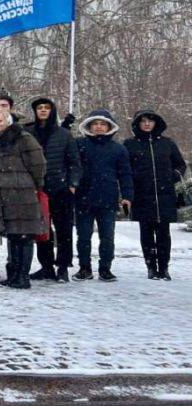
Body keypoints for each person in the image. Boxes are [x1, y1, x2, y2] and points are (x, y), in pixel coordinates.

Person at [0, 109, 45, 290]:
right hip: (4, 195)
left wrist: (35, 185)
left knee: (24, 236)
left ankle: (23, 276)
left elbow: (38, 164)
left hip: (23, 194)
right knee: (13, 235)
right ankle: (14, 274)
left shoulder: (22, 137)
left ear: (8, 121)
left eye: (0, 120)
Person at [23, 97, 81, 283]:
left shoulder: (64, 134)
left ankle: (63, 267)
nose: (43, 110)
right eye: (39, 108)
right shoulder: (28, 132)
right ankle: (46, 266)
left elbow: (74, 162)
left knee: (64, 230)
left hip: (61, 189)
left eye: (46, 108)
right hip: (38, 189)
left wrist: (72, 184)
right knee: (43, 231)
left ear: (52, 110)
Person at [124, 109, 187, 280]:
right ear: (137, 123)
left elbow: (181, 165)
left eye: (150, 121)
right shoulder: (130, 144)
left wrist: (172, 176)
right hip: (142, 195)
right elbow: (124, 169)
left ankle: (164, 267)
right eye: (143, 121)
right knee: (146, 233)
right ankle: (151, 266)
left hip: (165, 195)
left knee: (163, 233)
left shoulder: (167, 143)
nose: (147, 124)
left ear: (156, 123)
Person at [74, 110, 133, 281]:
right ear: (89, 126)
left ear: (109, 126)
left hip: (108, 198)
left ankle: (105, 268)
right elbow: (72, 167)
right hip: (83, 197)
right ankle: (84, 268)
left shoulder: (118, 149)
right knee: (83, 236)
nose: (99, 127)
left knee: (107, 237)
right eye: (95, 124)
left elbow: (125, 174)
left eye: (102, 124)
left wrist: (127, 196)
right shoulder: (79, 144)